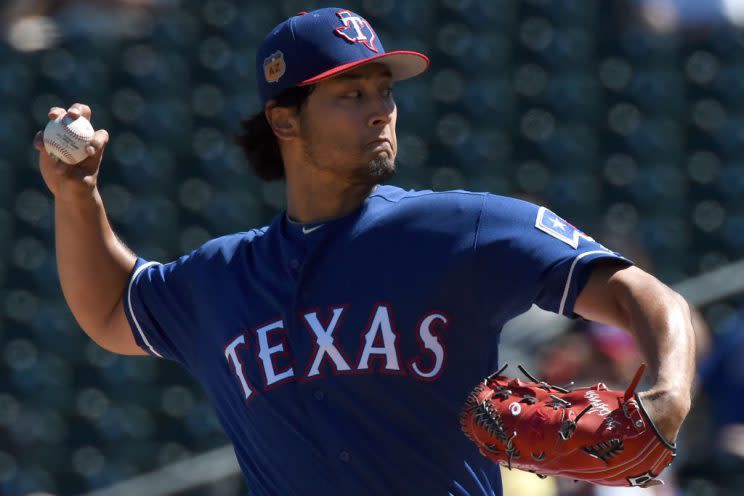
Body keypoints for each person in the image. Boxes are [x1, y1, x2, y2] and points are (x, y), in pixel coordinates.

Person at [33, 7, 695, 496]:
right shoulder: (224, 275)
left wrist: (668, 393)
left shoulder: (459, 227)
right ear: (284, 120)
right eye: (351, 95)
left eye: (385, 91)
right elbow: (111, 311)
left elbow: (642, 293)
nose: (380, 110)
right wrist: (77, 194)